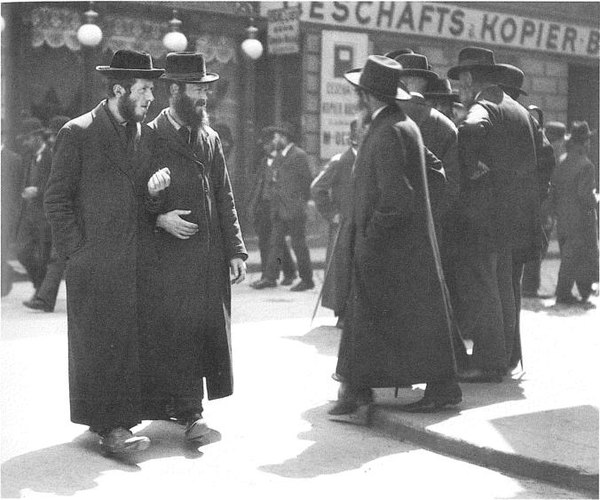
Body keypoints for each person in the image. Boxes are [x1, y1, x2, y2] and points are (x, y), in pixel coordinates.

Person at [44, 49, 164, 454]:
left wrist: (152, 194)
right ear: (119, 89)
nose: (151, 99)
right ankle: (112, 430)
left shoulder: (142, 134)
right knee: (98, 343)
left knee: (125, 342)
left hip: (132, 260)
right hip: (93, 261)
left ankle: (116, 422)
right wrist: (76, 252)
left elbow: (139, 198)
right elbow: (56, 200)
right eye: (145, 89)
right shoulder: (78, 132)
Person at [329, 55, 462, 416]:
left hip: (387, 245)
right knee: (392, 316)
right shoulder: (401, 124)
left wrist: (372, 239)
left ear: (369, 96)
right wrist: (423, 218)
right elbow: (434, 174)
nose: (357, 98)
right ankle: (358, 389)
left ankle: (365, 390)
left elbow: (396, 198)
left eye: (359, 92)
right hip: (404, 243)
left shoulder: (388, 131)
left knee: (384, 315)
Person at [142, 52, 247, 442]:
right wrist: (159, 217)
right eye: (197, 89)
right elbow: (135, 194)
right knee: (179, 334)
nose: (204, 96)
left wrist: (235, 250)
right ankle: (191, 414)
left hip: (209, 257)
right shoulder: (150, 135)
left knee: (204, 334)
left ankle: (184, 408)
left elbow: (225, 195)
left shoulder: (210, 136)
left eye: (206, 89)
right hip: (169, 259)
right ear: (175, 91)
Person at [448, 47, 542, 383]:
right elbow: (543, 155)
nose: (459, 91)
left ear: (470, 79)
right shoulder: (518, 109)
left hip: (485, 216)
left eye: (460, 84)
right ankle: (502, 357)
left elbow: (470, 129)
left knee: (484, 283)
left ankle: (487, 362)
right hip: (514, 216)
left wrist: (473, 166)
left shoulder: (483, 105)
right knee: (503, 286)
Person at [250, 122, 314, 292]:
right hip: (278, 209)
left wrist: (301, 201)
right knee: (275, 244)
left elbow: (308, 181)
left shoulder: (298, 155)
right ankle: (271, 277)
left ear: (285, 138)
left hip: (294, 209)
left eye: (278, 136)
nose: (275, 139)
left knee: (299, 244)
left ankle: (307, 279)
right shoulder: (279, 156)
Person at [23, 115, 71, 312]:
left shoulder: (69, 152)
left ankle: (44, 298)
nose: (50, 139)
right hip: (59, 214)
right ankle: (44, 298)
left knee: (58, 258)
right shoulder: (58, 152)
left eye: (53, 135)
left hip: (70, 214)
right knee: (55, 257)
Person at [311, 120, 357, 323]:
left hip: (361, 224)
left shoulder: (368, 160)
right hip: (344, 227)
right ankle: (342, 314)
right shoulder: (340, 161)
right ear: (353, 138)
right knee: (342, 270)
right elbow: (317, 188)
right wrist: (332, 214)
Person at [550, 121, 599, 307]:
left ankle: (584, 290)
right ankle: (563, 294)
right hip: (581, 220)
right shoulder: (586, 165)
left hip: (564, 218)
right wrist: (596, 199)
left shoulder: (562, 160)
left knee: (570, 256)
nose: (589, 144)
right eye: (587, 141)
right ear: (584, 142)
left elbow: (554, 189)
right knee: (579, 257)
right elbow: (585, 195)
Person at [248, 127, 297, 285]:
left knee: (277, 240)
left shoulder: (283, 160)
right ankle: (276, 274)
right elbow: (259, 185)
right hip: (264, 206)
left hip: (278, 206)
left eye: (268, 143)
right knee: (266, 240)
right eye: (264, 145)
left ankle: (273, 276)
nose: (265, 147)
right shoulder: (264, 161)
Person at [14, 117, 52, 299]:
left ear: (38, 137)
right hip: (29, 214)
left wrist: (38, 190)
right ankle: (39, 284)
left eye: (28, 138)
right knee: (22, 252)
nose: (26, 143)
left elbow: (58, 184)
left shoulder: (52, 157)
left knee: (44, 256)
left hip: (46, 215)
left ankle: (41, 292)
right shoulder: (28, 158)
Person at [1, 123, 23, 297]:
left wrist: (15, 212)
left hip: (5, 211)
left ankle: (3, 284)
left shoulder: (13, 159)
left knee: (2, 247)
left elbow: (17, 188)